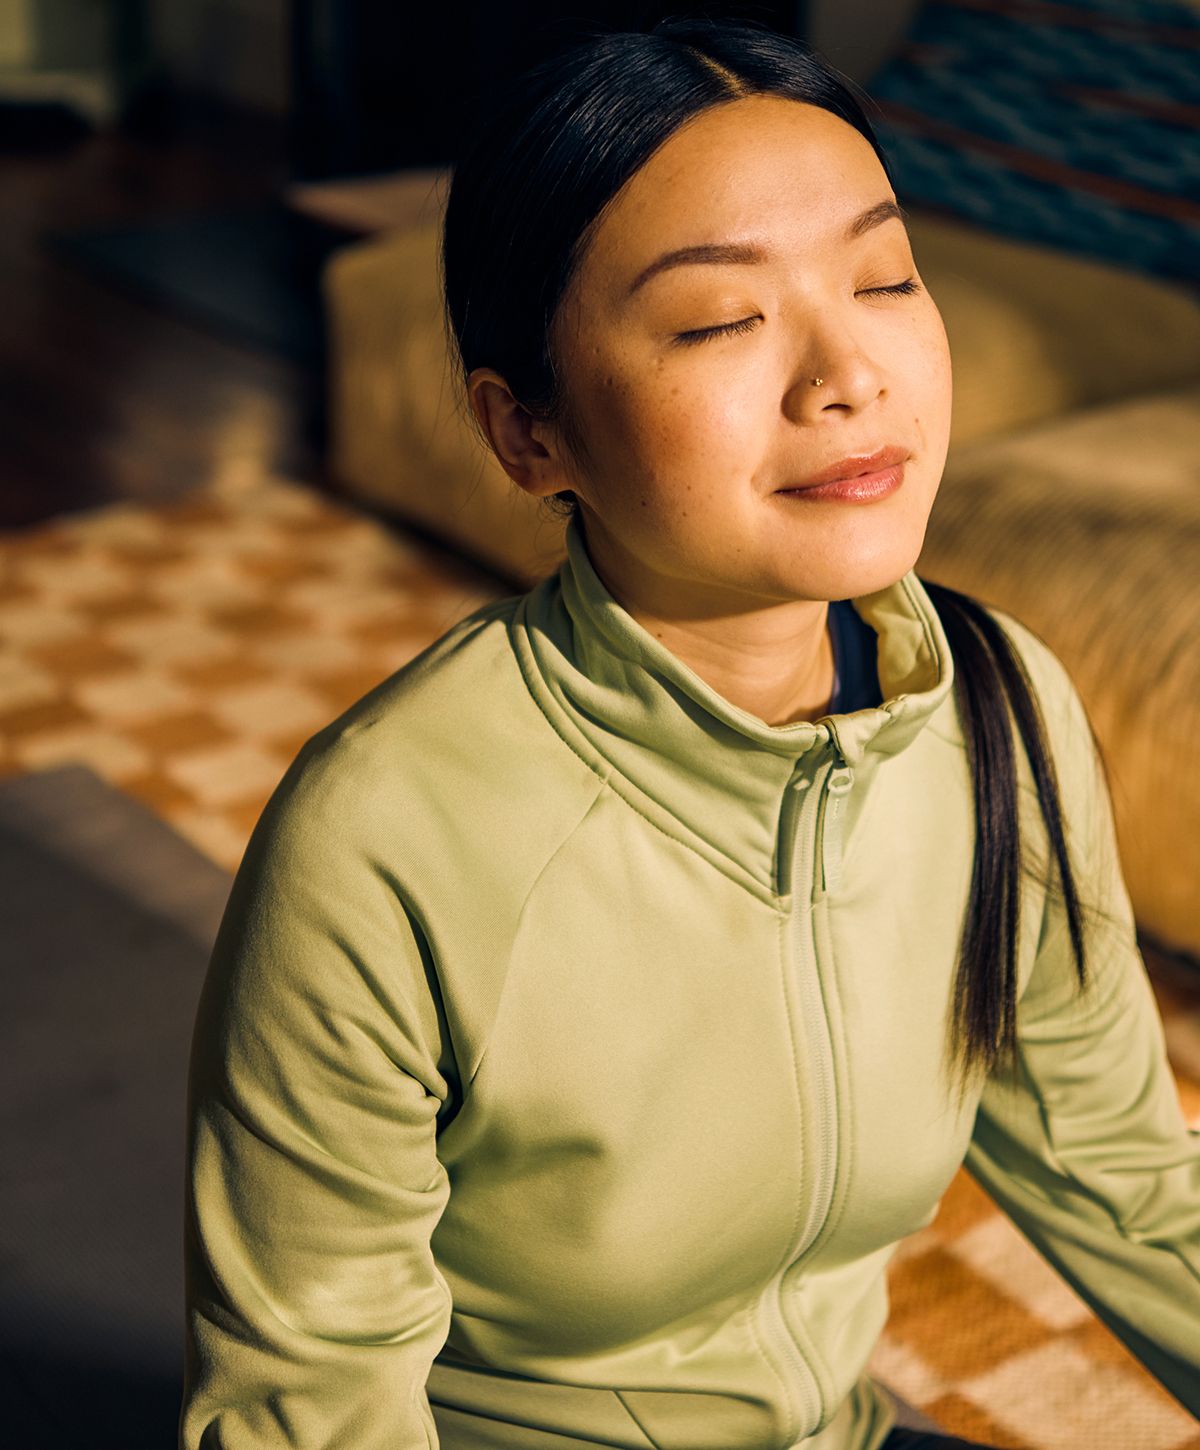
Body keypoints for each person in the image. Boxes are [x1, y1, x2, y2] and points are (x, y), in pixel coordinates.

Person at [179, 15, 1200, 1450]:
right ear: (527, 433)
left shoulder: (999, 706)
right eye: (722, 318)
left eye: (888, 277)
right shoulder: (382, 841)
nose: (848, 373)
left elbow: (1125, 1177)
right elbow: (312, 1402)